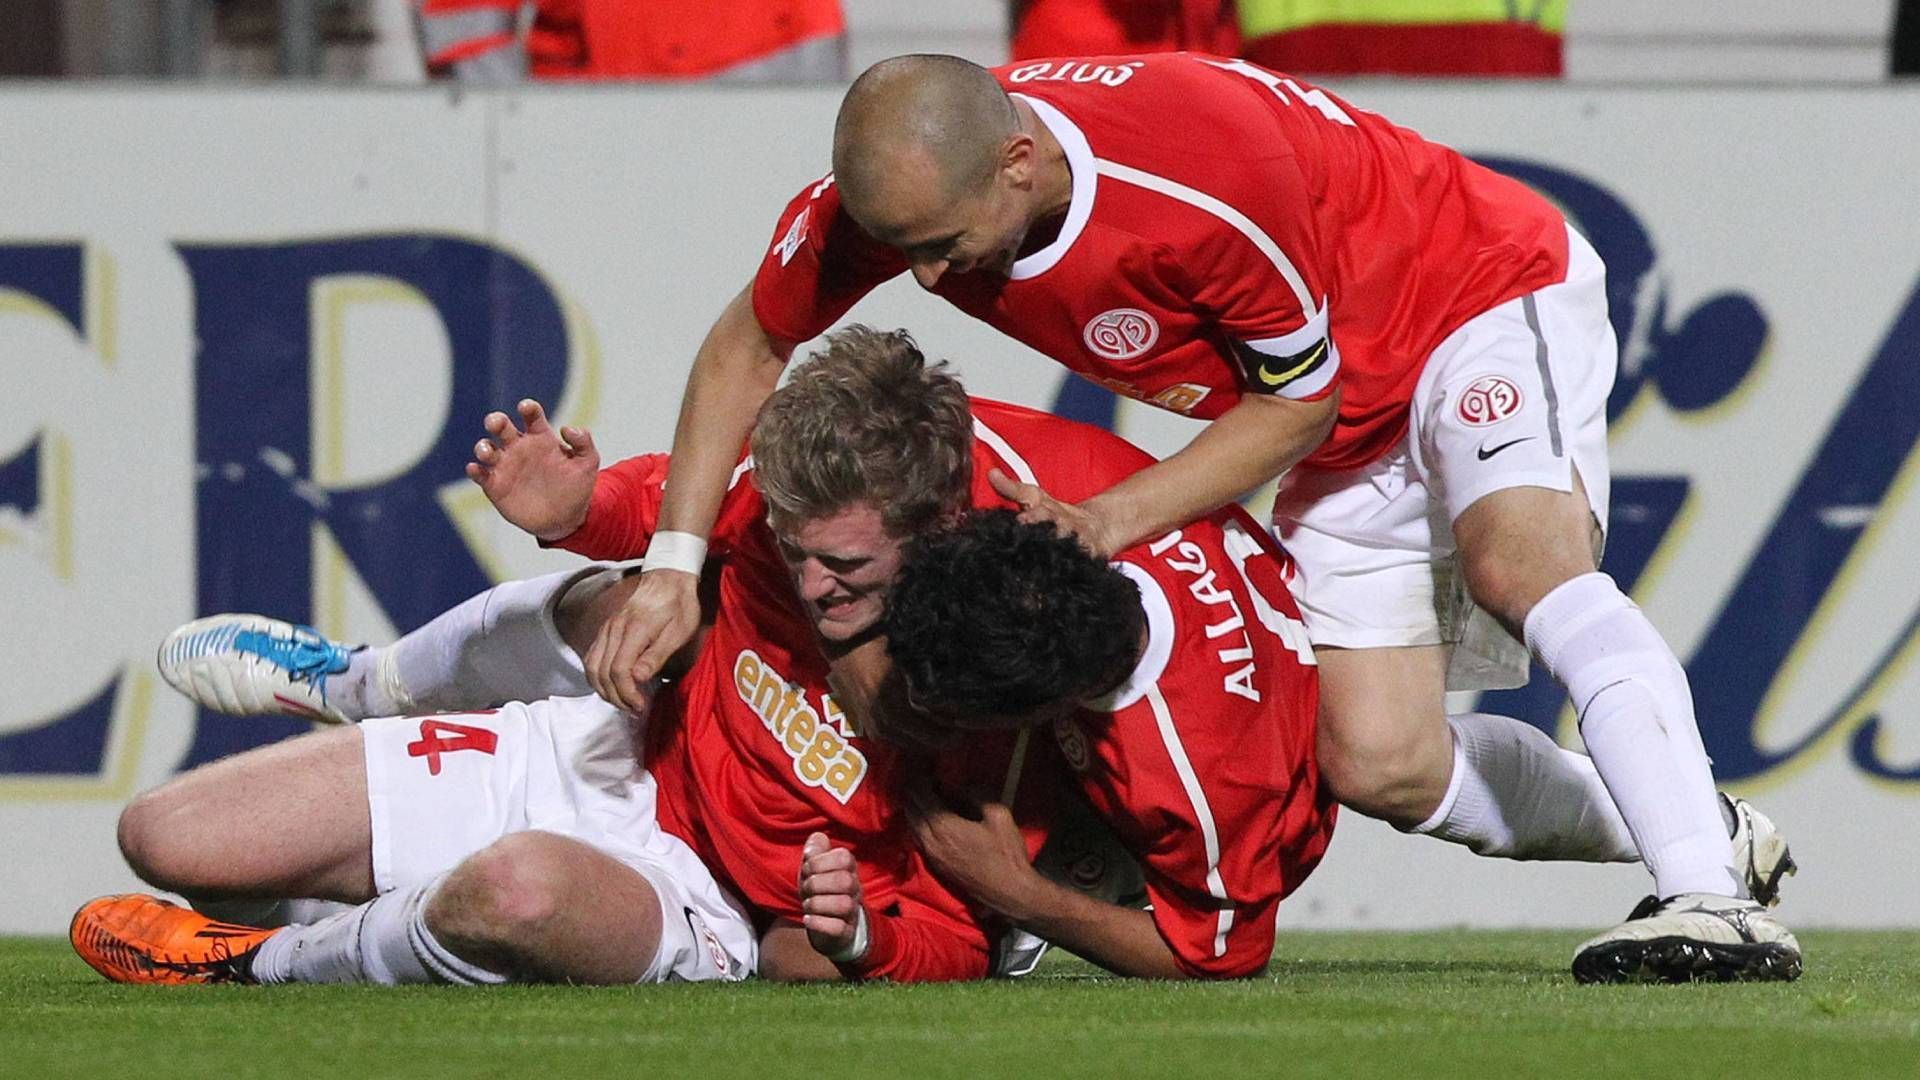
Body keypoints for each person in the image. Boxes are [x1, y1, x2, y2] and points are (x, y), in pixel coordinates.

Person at [597, 52, 1799, 982]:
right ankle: (1706, 825)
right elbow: (750, 343)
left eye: (939, 247)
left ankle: (1713, 902)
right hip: (1340, 403)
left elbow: (1299, 403)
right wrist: (672, 562)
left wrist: (1110, 518)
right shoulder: (920, 182)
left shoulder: (1198, 185)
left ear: (1019, 163)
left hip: (1472, 293)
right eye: (901, 250)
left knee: (1513, 563)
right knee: (1379, 764)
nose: (922, 278)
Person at [878, 508, 1336, 978]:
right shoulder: (1086, 490)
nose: (913, 702)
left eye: (950, 707)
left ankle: (1082, 875)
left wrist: (1021, 894)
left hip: (1236, 827)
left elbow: (1223, 957)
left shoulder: (1202, 793)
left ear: (1051, 708)